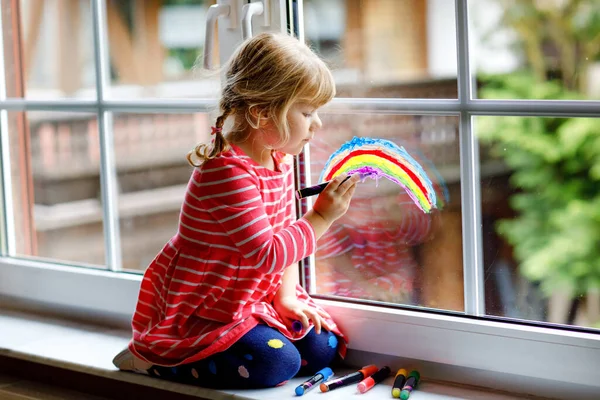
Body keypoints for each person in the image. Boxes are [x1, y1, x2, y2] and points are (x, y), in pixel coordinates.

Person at [112, 32, 359, 390]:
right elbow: (268, 253)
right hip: (209, 307)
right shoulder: (225, 172)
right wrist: (321, 217)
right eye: (306, 112)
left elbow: (285, 231)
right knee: (278, 363)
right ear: (262, 114)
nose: (316, 123)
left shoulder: (280, 159)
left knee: (325, 349)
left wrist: (286, 297)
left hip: (251, 296)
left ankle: (254, 336)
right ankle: (153, 361)